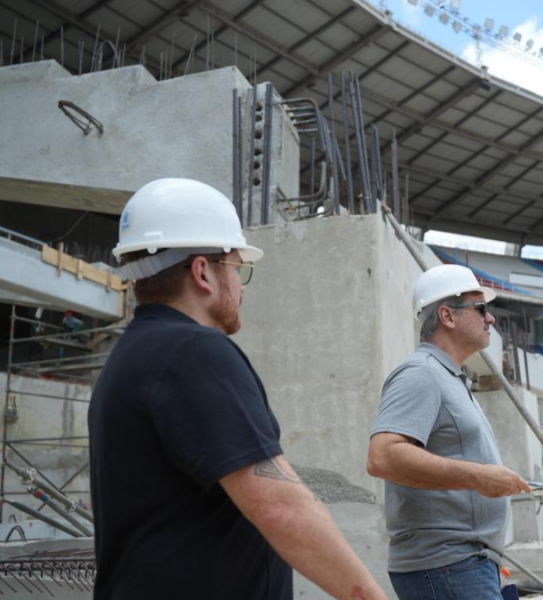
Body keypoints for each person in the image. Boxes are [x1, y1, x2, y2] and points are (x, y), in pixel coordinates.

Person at [88, 178, 388, 600]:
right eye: (236, 268)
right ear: (202, 272)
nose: (242, 285)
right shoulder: (193, 352)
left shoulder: (131, 357)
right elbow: (281, 505)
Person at [367, 264, 532, 600]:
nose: (491, 319)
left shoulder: (448, 378)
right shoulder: (421, 374)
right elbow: (383, 456)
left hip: (461, 565)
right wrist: (478, 477)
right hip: (448, 566)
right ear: (447, 316)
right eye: (480, 309)